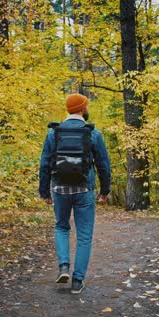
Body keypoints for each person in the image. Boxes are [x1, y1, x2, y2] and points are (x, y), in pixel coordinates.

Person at [38, 93, 111, 294]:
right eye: (86, 105)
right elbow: (103, 164)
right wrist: (105, 190)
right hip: (84, 189)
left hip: (60, 188)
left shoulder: (54, 133)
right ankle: (77, 281)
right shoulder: (92, 133)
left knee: (61, 227)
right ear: (81, 108)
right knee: (84, 236)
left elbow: (44, 164)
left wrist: (44, 191)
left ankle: (63, 266)